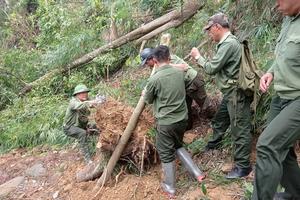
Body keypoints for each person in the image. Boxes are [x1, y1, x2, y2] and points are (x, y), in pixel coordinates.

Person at [190, 13, 253, 179]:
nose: (209, 34)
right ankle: (213, 144)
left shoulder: (228, 44)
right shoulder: (226, 43)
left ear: (217, 27)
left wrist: (198, 57)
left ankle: (243, 167)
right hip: (230, 93)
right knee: (220, 119)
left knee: (239, 129)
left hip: (236, 94)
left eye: (210, 30)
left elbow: (211, 68)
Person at [252, 0, 300, 199]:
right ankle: (296, 193)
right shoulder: (288, 19)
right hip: (281, 97)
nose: (275, 4)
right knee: (283, 148)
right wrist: (270, 72)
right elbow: (284, 55)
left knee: (267, 145)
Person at [143, 45, 205, 197]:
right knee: (177, 145)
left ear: (155, 60)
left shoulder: (154, 79)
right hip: (182, 119)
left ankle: (169, 187)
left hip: (166, 123)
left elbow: (148, 99)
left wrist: (145, 92)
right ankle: (197, 173)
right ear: (169, 58)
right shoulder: (179, 72)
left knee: (165, 153)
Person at [140, 43, 207, 130]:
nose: (146, 65)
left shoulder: (167, 58)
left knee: (205, 104)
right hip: (183, 85)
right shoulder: (156, 66)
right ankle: (187, 129)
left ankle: (214, 122)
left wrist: (166, 65)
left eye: (146, 62)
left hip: (193, 81)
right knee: (185, 107)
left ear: (152, 58)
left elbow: (184, 67)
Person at [63, 84, 100, 164]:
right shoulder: (73, 102)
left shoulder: (85, 101)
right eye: (81, 93)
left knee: (96, 127)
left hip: (81, 126)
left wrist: (99, 102)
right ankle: (88, 159)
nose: (84, 94)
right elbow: (79, 106)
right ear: (76, 95)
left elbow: (90, 107)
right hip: (69, 127)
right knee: (82, 133)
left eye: (86, 92)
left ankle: (101, 148)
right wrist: (91, 102)